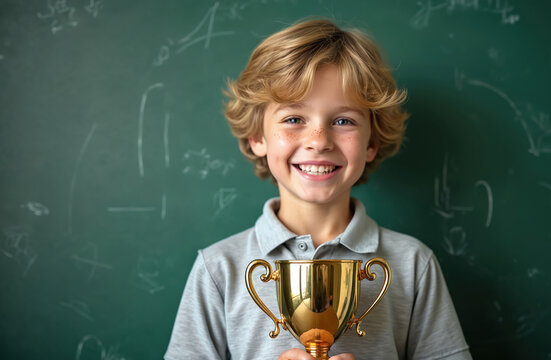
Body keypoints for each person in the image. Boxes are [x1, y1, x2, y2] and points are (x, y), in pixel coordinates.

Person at [165, 18, 472, 360]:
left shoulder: (412, 264)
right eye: (294, 119)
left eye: (343, 121)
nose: (319, 142)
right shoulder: (220, 268)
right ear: (257, 137)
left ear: (372, 142)